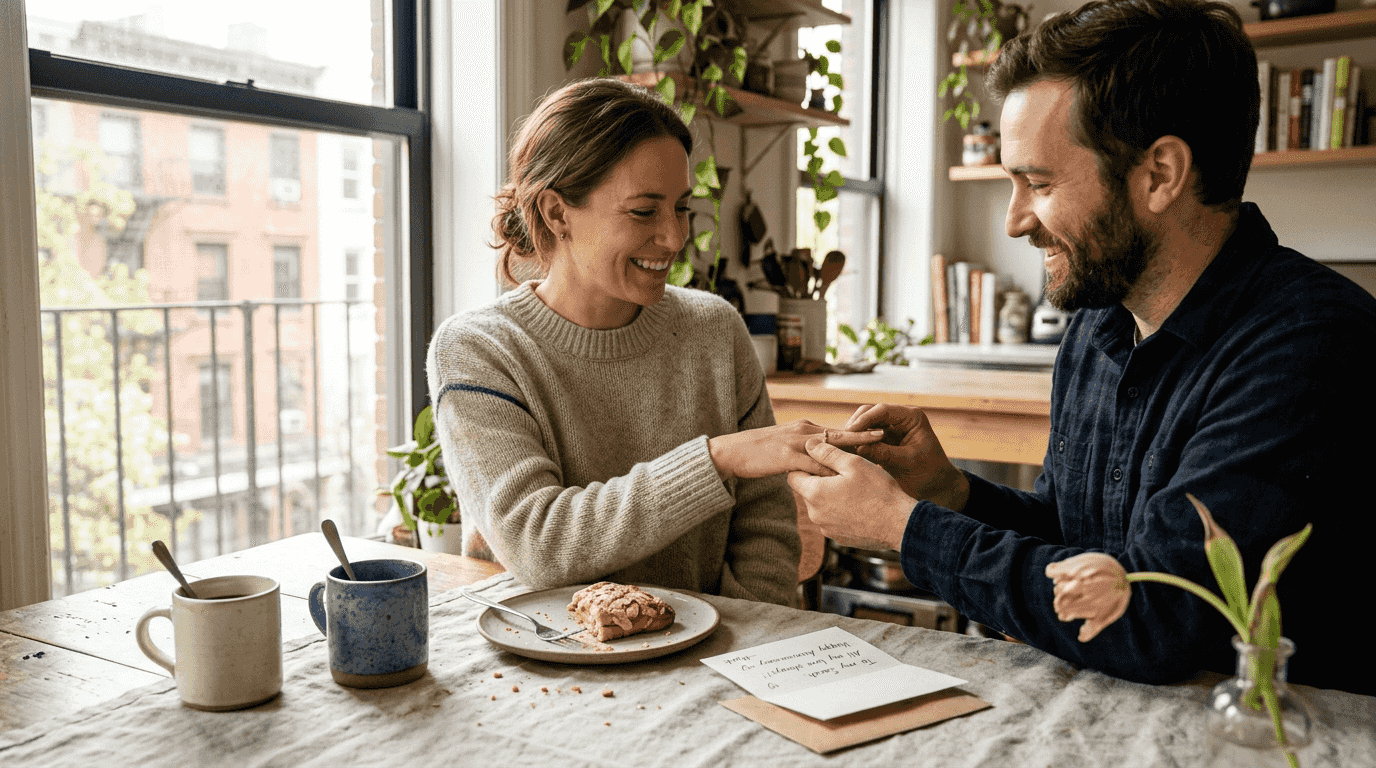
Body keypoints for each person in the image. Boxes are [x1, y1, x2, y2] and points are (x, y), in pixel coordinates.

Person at [788, 0, 1376, 694]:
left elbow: (1155, 620)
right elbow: (1081, 549)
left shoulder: (1310, 344)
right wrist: (948, 495)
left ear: (1160, 174)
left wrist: (902, 528)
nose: (1014, 222)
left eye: (1037, 184)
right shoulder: (1099, 327)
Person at [427, 78, 880, 607]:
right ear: (556, 213)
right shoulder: (478, 350)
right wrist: (717, 458)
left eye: (682, 207)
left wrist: (744, 636)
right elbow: (537, 545)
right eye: (644, 211)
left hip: (713, 657)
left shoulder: (714, 329)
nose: (673, 236)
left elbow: (766, 530)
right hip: (546, 669)